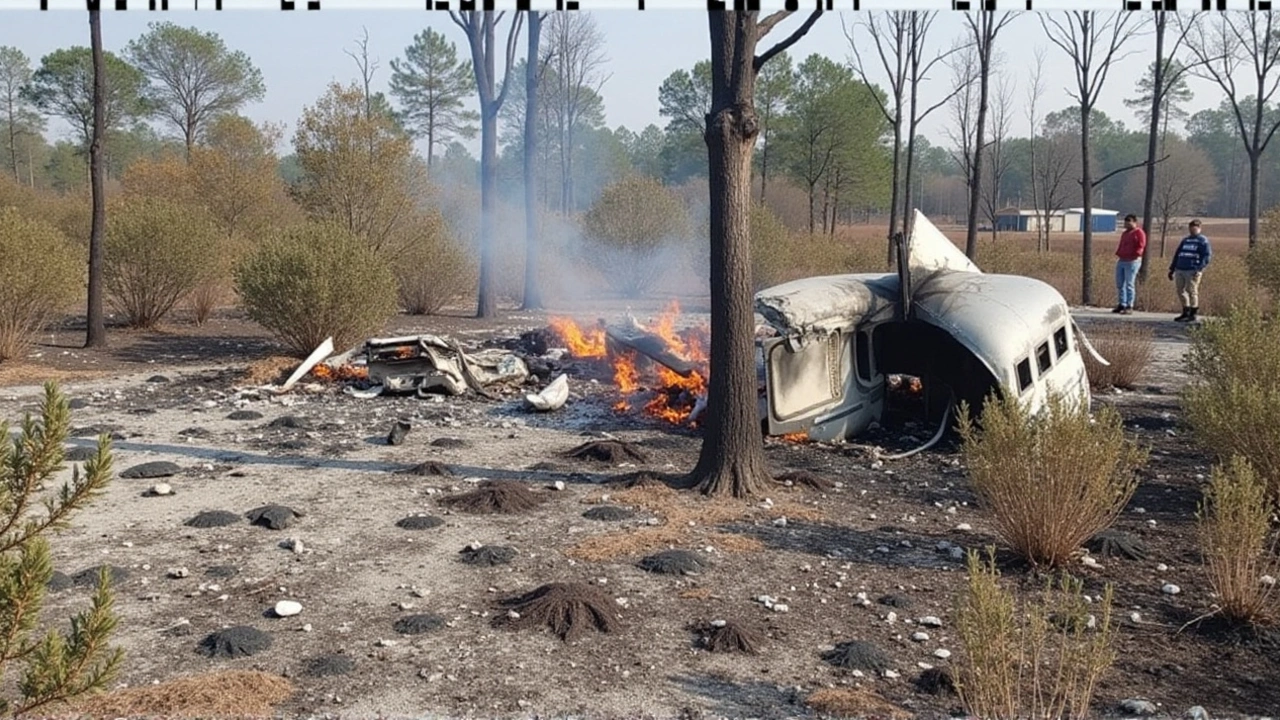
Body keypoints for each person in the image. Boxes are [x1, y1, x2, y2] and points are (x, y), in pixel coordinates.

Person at [1167, 219, 1212, 322]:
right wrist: (1172, 269)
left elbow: (1207, 256)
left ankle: (1193, 312)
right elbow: (1177, 254)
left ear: (1199, 228)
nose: (1193, 229)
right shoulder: (1185, 240)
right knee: (1180, 291)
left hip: (1192, 270)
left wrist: (1199, 268)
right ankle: (1185, 311)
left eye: (1195, 227)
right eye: (1191, 227)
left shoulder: (1202, 241)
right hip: (1180, 268)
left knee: (1192, 291)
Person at [1114, 214, 1146, 314]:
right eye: (1126, 222)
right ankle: (1122, 304)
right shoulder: (1125, 233)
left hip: (1132, 261)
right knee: (1120, 283)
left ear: (1135, 222)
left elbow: (1141, 246)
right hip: (1122, 260)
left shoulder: (1139, 232)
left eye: (1129, 222)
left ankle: (1129, 305)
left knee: (1129, 284)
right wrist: (1119, 253)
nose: (1127, 224)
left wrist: (1136, 254)